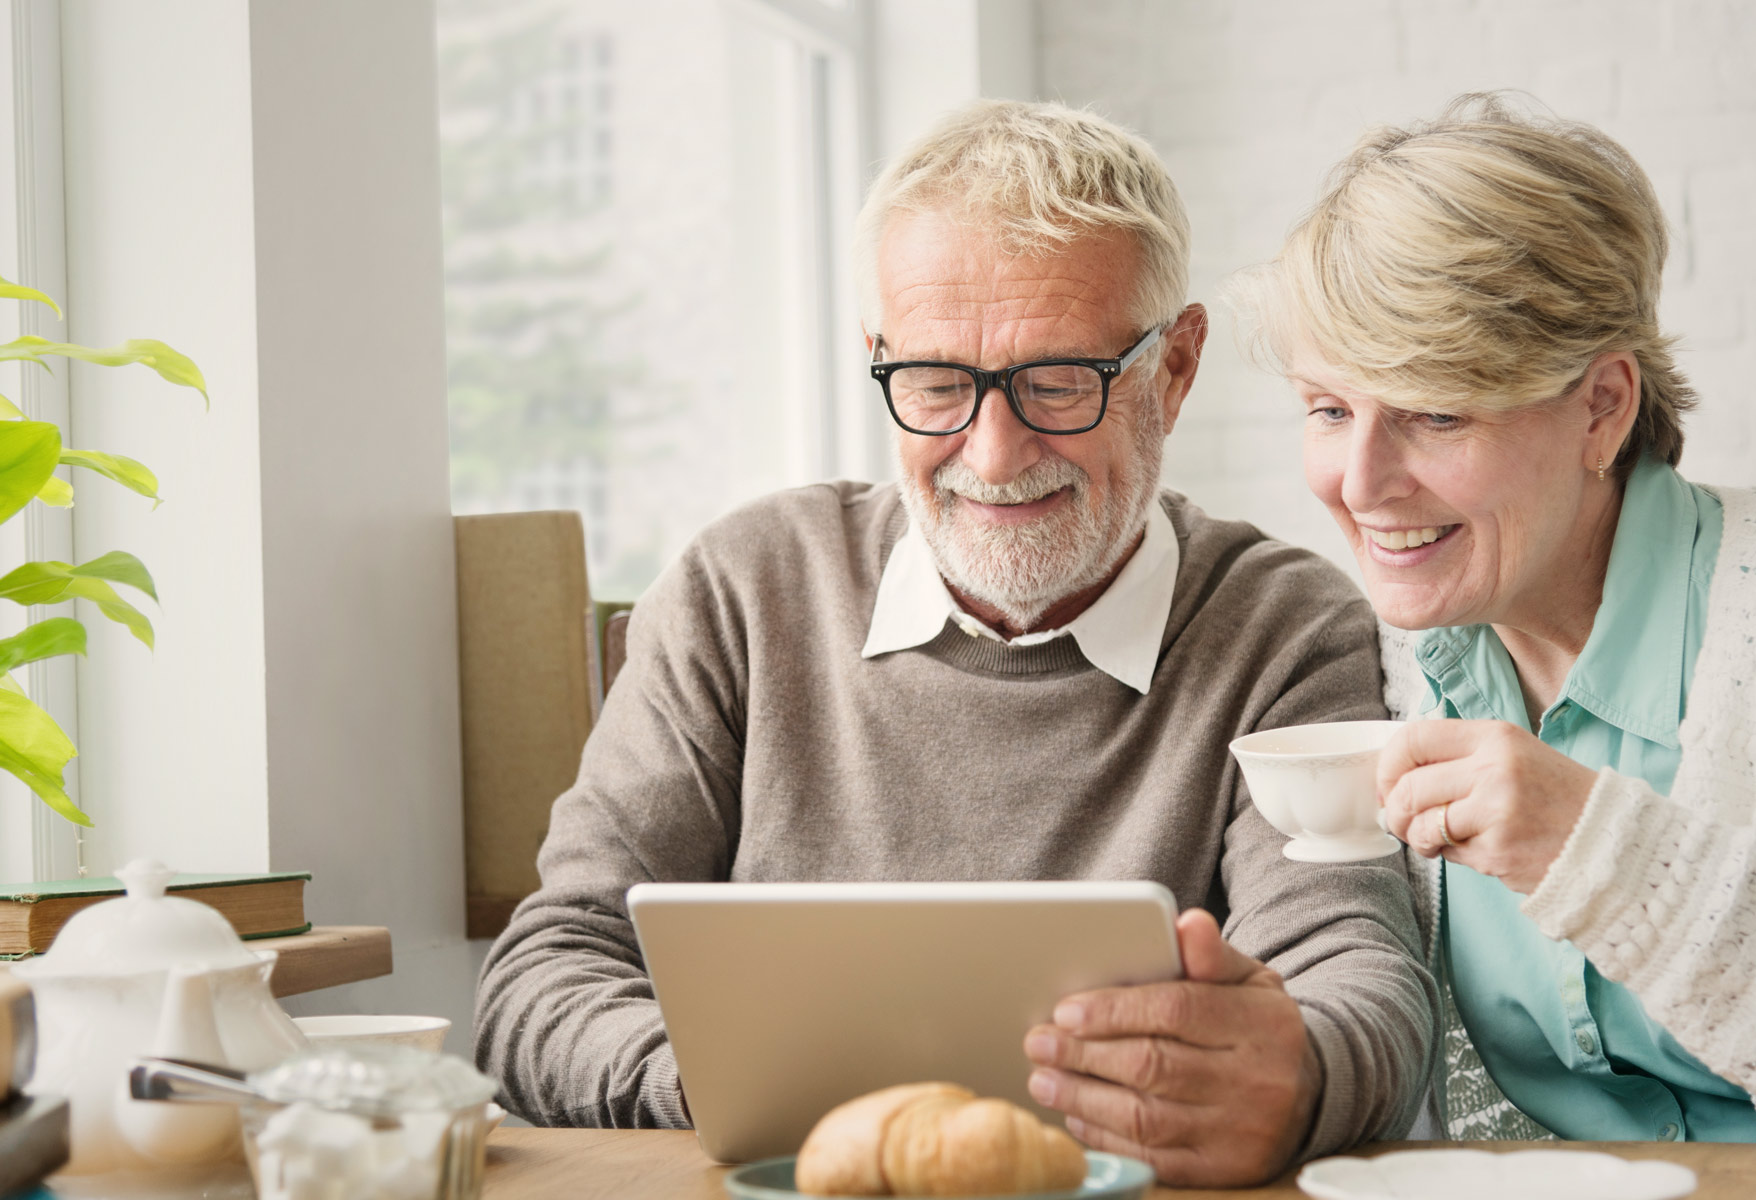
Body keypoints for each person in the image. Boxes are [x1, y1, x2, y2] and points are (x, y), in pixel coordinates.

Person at [474, 99, 1433, 1186]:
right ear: (877, 360)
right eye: (934, 384)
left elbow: (1356, 984)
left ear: (1171, 369)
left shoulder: (1283, 626)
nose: (990, 451)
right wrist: (747, 1092)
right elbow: (542, 979)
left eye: (1057, 382)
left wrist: (1297, 1078)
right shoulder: (742, 590)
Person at [1234, 92, 1756, 1141]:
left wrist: (1596, 850)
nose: (1362, 484)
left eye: (1435, 410)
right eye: (1330, 410)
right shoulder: (1375, 669)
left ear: (1600, 407)